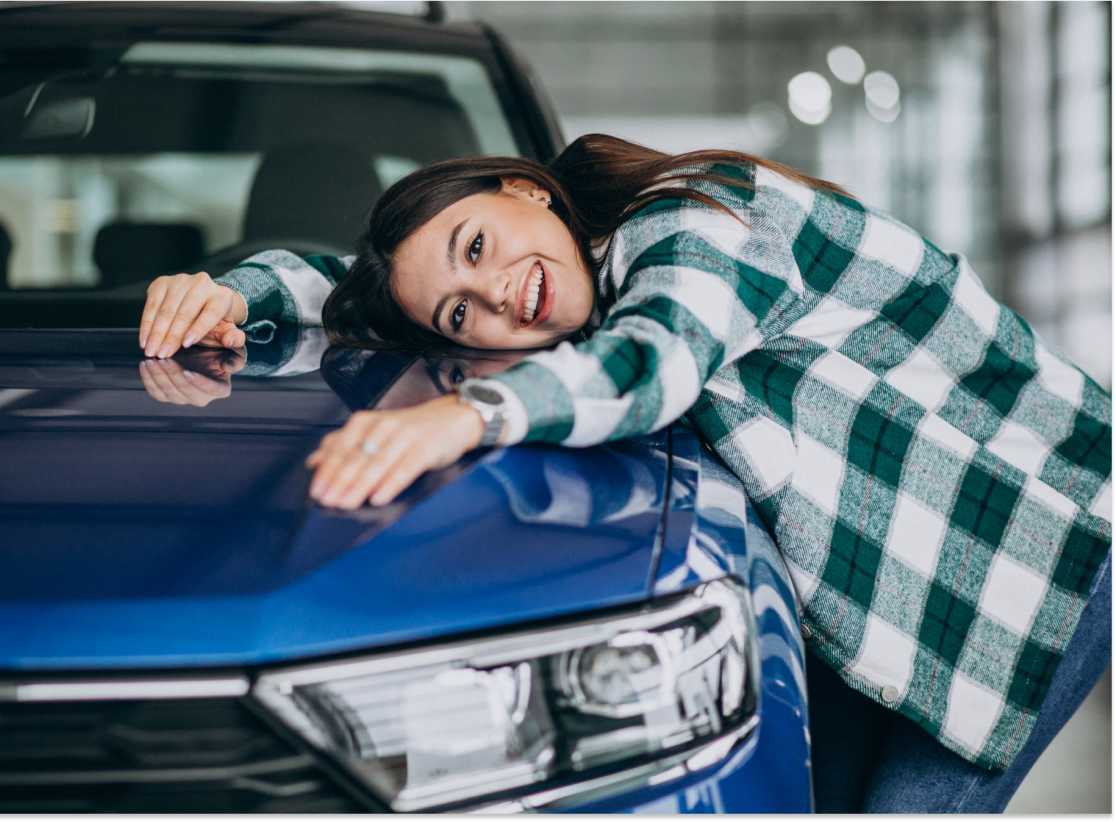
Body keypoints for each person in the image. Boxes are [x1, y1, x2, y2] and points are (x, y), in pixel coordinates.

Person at [137, 134, 1112, 813]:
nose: (492, 296)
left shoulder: (695, 217)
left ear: (521, 190)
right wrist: (229, 293)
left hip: (1043, 538)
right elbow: (340, 288)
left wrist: (459, 416)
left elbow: (656, 361)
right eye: (460, 319)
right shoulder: (581, 290)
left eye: (475, 247)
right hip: (913, 578)